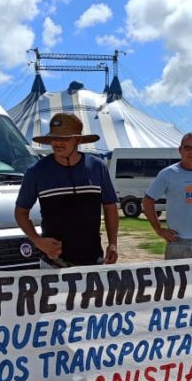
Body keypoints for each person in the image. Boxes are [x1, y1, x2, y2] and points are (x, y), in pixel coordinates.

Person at [15, 113, 118, 267]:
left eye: (65, 138)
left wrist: (113, 243)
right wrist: (37, 241)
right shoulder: (36, 171)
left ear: (78, 139)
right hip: (53, 264)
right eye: (54, 138)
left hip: (94, 261)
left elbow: (110, 207)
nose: (57, 143)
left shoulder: (97, 167)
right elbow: (20, 212)